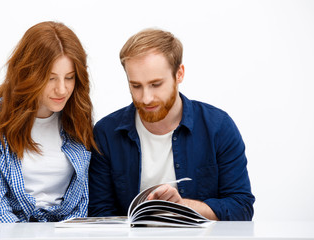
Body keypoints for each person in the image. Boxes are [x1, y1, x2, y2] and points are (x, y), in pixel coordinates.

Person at [88, 28, 255, 221]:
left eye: (156, 84)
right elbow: (100, 214)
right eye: (136, 86)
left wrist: (182, 207)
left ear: (179, 74)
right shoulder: (106, 134)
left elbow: (241, 208)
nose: (146, 98)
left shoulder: (218, 127)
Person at [0, 21, 97, 223]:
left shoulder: (77, 118)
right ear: (28, 73)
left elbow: (81, 204)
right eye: (51, 78)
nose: (62, 90)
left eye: (69, 78)